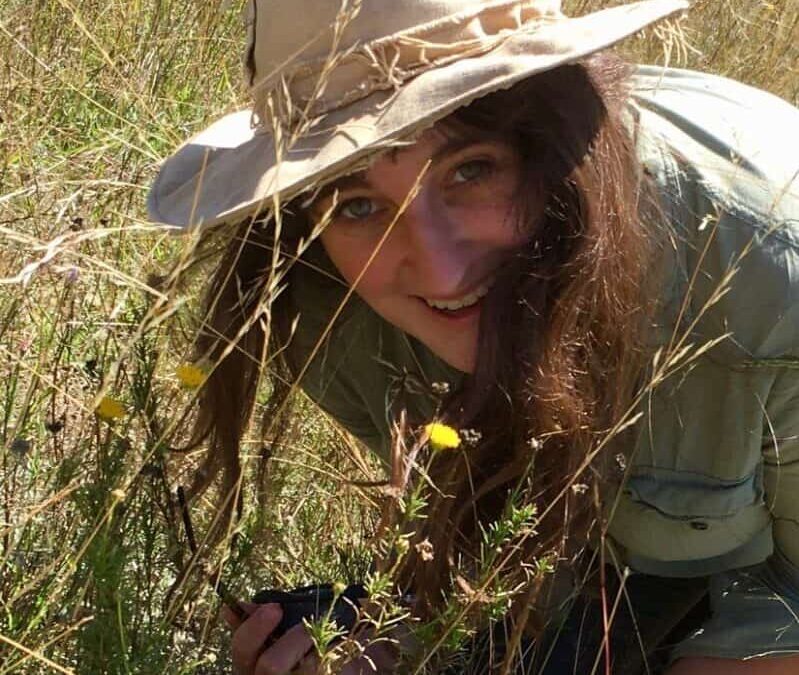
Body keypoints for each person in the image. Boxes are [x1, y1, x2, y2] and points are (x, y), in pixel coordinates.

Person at [148, 0, 799, 672]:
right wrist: (399, 637)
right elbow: (510, 533)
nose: (440, 271)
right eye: (358, 205)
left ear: (555, 140)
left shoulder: (772, 276)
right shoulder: (320, 300)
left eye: (470, 169)